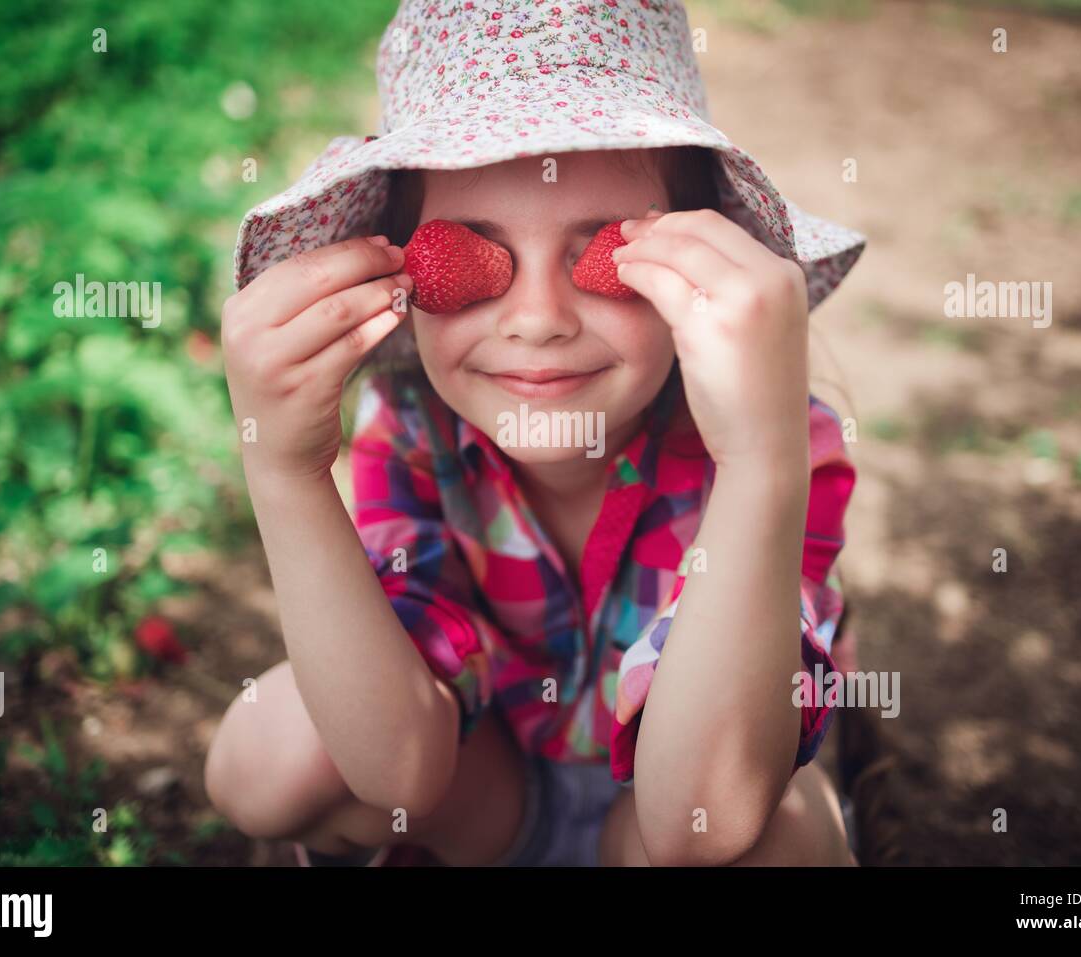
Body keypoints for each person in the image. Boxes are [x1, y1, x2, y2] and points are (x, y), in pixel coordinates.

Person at [206, 0, 864, 867]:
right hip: (484, 803)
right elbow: (398, 767)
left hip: (668, 831)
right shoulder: (410, 434)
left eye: (607, 259)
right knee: (266, 755)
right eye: (470, 257)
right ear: (395, 271)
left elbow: (702, 818)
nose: (541, 320)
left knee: (793, 841)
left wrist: (759, 462)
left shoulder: (786, 443)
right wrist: (285, 473)